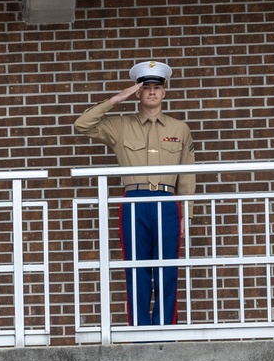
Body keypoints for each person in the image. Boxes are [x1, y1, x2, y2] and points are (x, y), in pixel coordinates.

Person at [74, 59, 195, 326]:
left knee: (167, 269)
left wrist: (187, 213)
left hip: (167, 201)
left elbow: (187, 174)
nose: (152, 91)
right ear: (138, 92)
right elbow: (82, 124)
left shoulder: (179, 128)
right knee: (136, 267)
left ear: (164, 92)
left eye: (157, 87)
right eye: (145, 86)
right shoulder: (119, 126)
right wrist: (117, 99)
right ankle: (139, 329)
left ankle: (165, 328)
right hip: (134, 201)